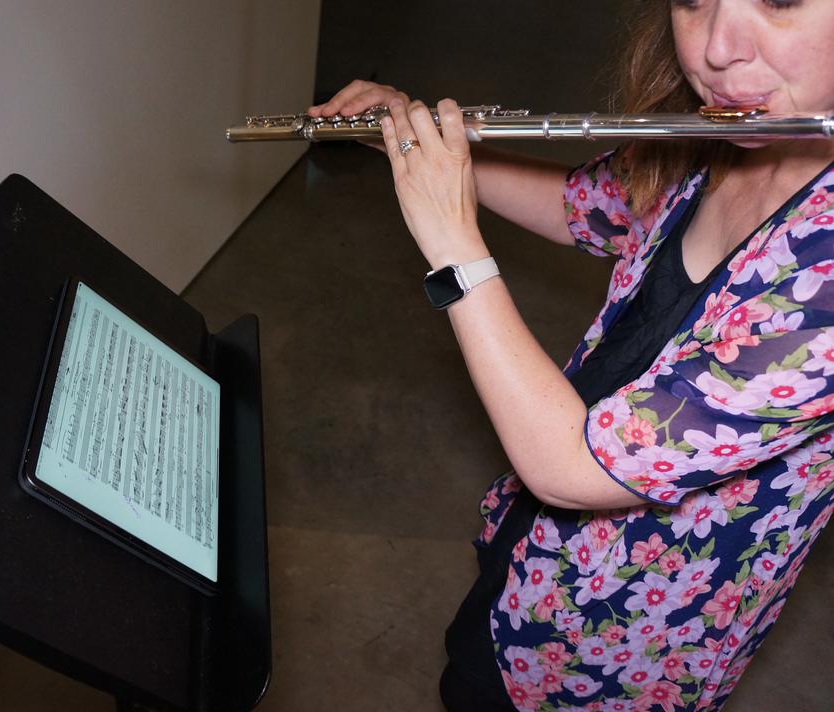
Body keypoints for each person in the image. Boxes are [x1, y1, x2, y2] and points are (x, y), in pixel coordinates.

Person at [309, 1, 834, 710]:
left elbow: (573, 467)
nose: (716, 49)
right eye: (693, 1)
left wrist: (453, 247)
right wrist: (415, 146)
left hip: (623, 639)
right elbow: (576, 205)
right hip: (534, 546)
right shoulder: (721, 133)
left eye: (777, 1)